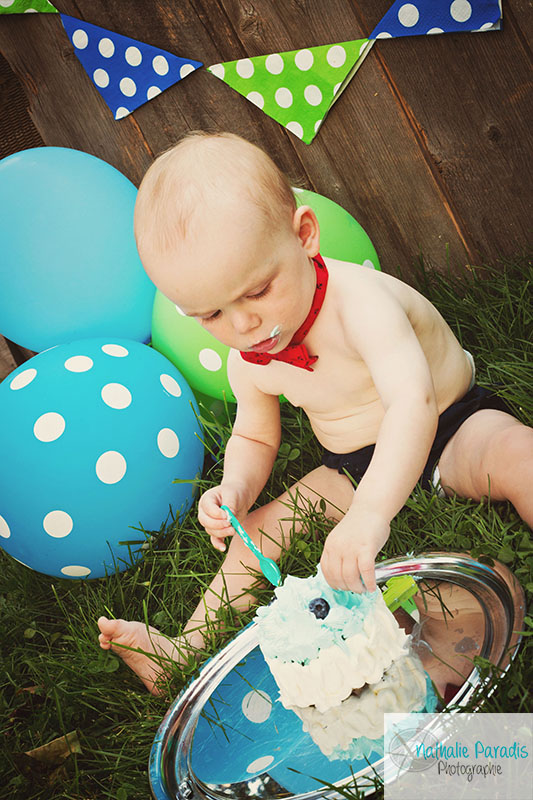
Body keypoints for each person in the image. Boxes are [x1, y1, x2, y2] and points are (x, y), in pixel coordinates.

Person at [98, 131, 533, 694]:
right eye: (210, 314)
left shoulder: (361, 304)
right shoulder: (249, 355)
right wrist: (235, 489)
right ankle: (184, 645)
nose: (243, 326)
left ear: (304, 236)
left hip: (451, 427)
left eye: (257, 291)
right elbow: (255, 436)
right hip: (351, 460)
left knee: (517, 453)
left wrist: (371, 516)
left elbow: (412, 402)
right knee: (258, 532)